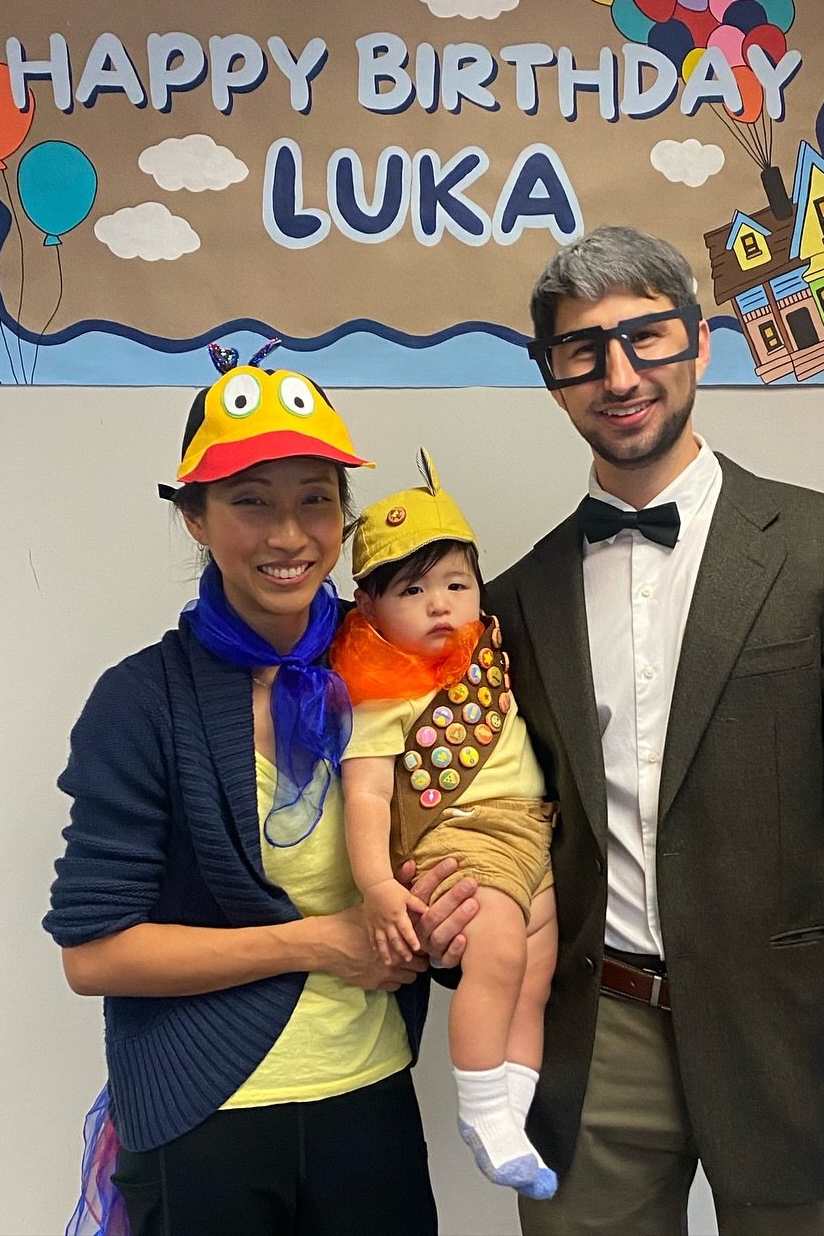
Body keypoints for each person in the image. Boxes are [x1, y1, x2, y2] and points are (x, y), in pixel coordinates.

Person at [484, 227, 824, 1236]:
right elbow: (504, 817)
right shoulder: (513, 602)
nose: (619, 374)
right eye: (583, 350)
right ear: (553, 378)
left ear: (700, 343)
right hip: (594, 1035)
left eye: (646, 336)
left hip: (795, 1026)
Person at [44, 344, 478, 1236]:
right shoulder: (141, 703)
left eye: (315, 499)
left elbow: (471, 831)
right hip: (207, 1115)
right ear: (196, 518)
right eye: (251, 502)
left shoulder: (402, 674)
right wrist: (320, 942)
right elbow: (95, 956)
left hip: (370, 1099)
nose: (289, 537)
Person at [330, 452, 559, 1200]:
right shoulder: (377, 691)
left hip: (532, 835)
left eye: (456, 584)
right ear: (366, 606)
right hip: (459, 838)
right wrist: (375, 886)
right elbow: (366, 798)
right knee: (493, 954)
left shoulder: (491, 651)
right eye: (413, 588)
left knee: (535, 974)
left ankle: (513, 1119)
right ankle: (482, 1109)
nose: (440, 605)